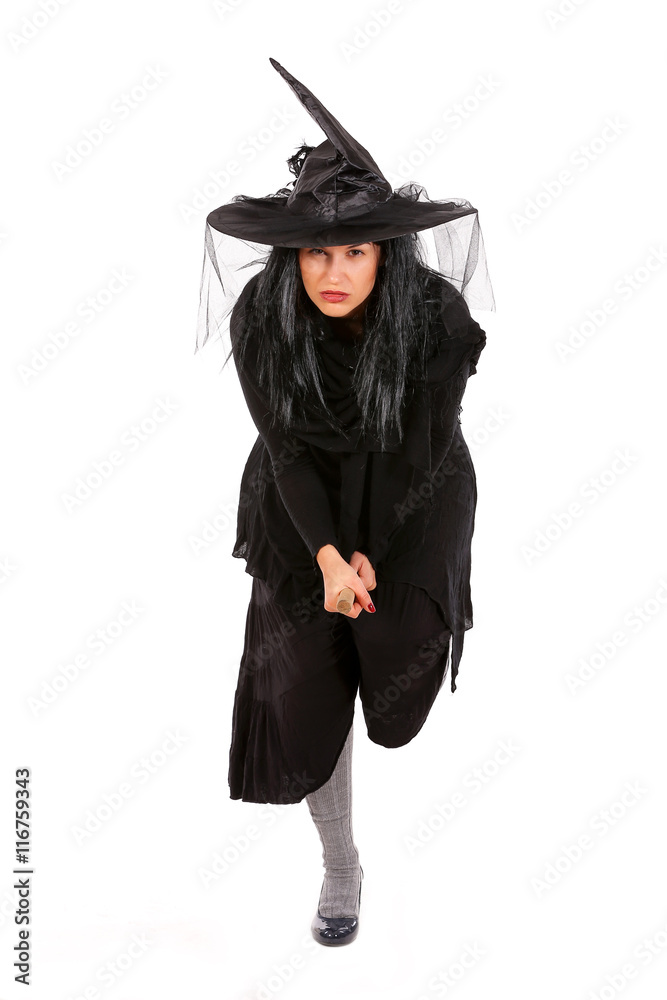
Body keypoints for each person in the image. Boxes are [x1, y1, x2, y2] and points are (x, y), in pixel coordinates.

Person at [194, 57, 495, 947]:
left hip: (418, 486)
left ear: (385, 252)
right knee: (310, 688)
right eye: (317, 251)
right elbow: (284, 446)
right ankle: (339, 864)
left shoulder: (435, 316)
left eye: (354, 251)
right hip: (300, 503)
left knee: (391, 683)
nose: (333, 270)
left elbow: (426, 442)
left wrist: (372, 549)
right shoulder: (264, 313)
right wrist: (328, 555)